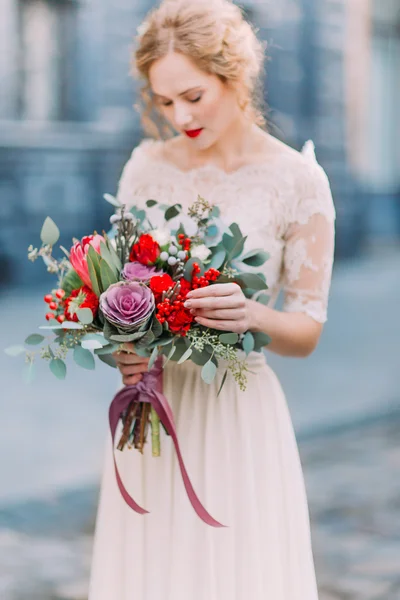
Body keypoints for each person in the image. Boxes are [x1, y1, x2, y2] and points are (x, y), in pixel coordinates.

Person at [89, 0, 335, 598]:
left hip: (235, 413)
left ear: (235, 75)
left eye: (193, 97)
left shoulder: (296, 180)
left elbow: (306, 331)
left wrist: (251, 315)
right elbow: (120, 285)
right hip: (152, 413)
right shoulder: (144, 166)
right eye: (165, 101)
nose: (179, 116)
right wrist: (123, 343)